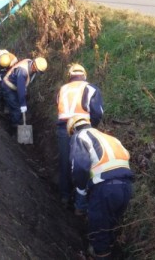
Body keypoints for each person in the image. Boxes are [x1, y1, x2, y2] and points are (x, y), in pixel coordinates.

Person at [67, 115, 133, 260]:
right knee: (110, 224)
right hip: (126, 187)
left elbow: (79, 167)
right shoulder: (109, 138)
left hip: (105, 188)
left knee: (99, 229)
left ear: (72, 130)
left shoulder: (79, 137)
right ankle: (107, 251)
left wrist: (80, 191)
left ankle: (101, 255)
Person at [56, 63, 104, 212]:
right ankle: (82, 198)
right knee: (83, 163)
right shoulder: (90, 88)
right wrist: (92, 128)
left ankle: (64, 196)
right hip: (83, 129)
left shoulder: (62, 89)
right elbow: (97, 112)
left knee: (65, 162)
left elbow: (58, 104)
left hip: (63, 129)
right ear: (84, 75)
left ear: (69, 76)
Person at [1, 57, 48, 129]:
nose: (37, 72)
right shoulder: (22, 71)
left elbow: (22, 86)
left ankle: (8, 110)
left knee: (19, 104)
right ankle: (13, 128)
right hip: (8, 87)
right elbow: (20, 88)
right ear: (34, 66)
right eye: (37, 71)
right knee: (17, 109)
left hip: (14, 86)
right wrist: (23, 104)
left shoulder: (29, 62)